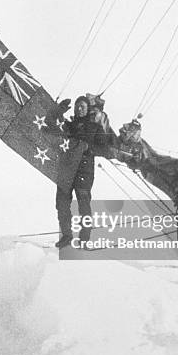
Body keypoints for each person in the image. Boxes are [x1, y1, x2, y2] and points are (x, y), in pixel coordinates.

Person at [55, 96, 110, 248]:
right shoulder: (68, 126)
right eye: (77, 106)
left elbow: (105, 149)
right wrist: (58, 111)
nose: (79, 109)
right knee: (61, 204)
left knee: (83, 205)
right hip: (66, 169)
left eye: (83, 107)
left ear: (88, 109)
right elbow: (51, 125)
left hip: (84, 171)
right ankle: (66, 236)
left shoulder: (95, 128)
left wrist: (89, 148)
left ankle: (84, 239)